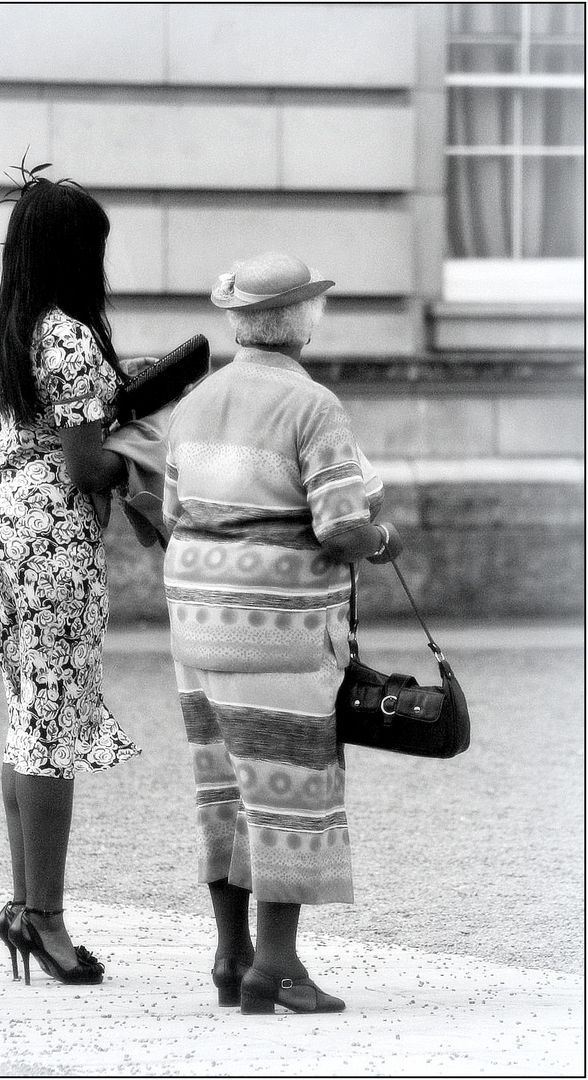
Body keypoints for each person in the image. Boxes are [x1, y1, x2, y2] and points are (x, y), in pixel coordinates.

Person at [162, 251, 403, 1014]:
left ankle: (231, 960)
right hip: (278, 625)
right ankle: (278, 965)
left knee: (224, 784)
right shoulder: (314, 408)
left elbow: (171, 513)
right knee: (287, 785)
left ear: (240, 322)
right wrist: (384, 539)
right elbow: (339, 525)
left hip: (197, 619)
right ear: (302, 321)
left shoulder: (195, 403)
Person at [0, 170, 142, 986]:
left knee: (27, 709)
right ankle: (45, 919)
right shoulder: (70, 337)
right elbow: (84, 462)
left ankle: (22, 903)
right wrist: (137, 455)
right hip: (48, 528)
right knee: (52, 722)